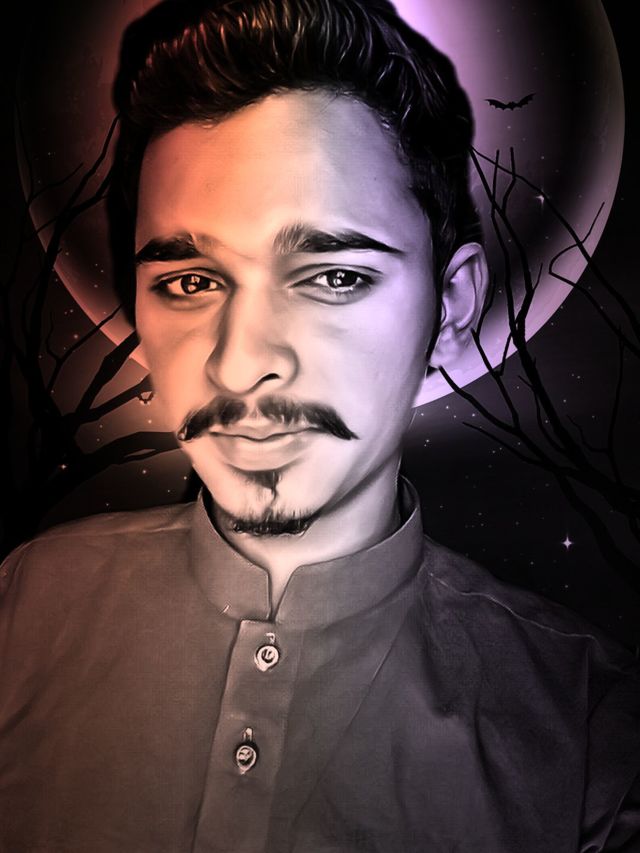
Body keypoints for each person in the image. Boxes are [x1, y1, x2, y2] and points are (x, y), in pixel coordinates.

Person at [1, 1, 639, 851]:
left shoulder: (587, 725)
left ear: (450, 307)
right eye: (190, 282)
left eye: (333, 276)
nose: (240, 363)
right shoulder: (20, 609)